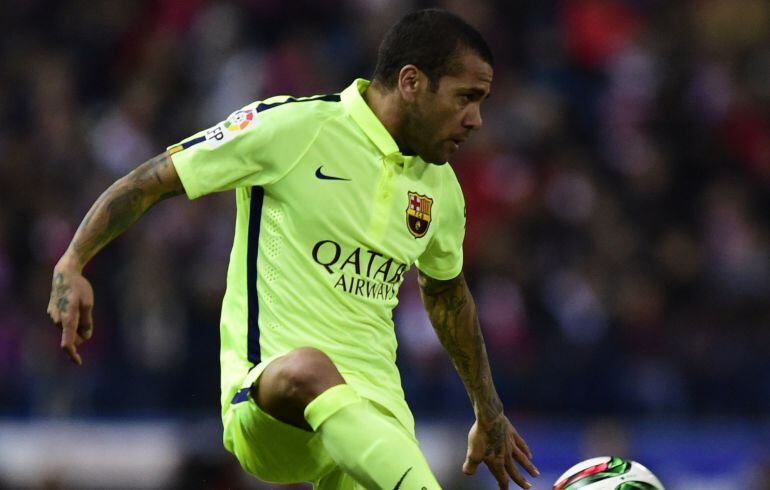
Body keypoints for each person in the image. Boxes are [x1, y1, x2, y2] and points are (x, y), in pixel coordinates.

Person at [46, 8, 539, 490]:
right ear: (411, 82)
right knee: (310, 368)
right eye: (466, 98)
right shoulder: (292, 129)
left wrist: (488, 411)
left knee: (375, 427)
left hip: (375, 418)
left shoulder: (442, 191)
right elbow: (151, 180)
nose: (476, 120)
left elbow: (447, 296)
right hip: (269, 402)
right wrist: (73, 259)